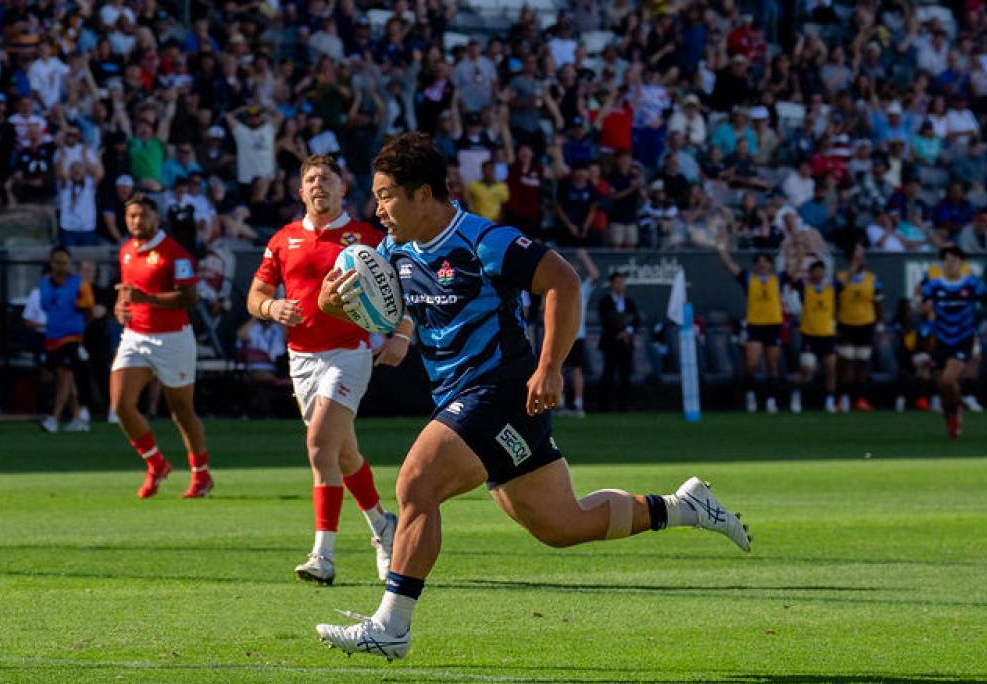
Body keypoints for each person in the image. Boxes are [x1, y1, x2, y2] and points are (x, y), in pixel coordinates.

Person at [313, 133, 748, 660]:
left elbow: (564, 281)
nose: (376, 209)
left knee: (416, 482)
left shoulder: (483, 240)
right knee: (561, 524)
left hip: (500, 389)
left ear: (423, 194)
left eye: (385, 196)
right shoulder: (394, 250)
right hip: (462, 396)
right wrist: (332, 302)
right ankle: (683, 507)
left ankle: (392, 626)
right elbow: (364, 306)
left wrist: (550, 367)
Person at [247, 154, 396, 585]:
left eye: (326, 179)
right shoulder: (282, 239)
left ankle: (323, 556)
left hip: (349, 353)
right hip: (301, 359)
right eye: (310, 179)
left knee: (317, 447)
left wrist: (400, 334)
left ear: (343, 187)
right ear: (300, 190)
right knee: (342, 454)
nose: (318, 186)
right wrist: (271, 306)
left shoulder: (366, 238)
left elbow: (401, 291)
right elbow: (256, 294)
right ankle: (384, 527)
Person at [112, 195, 210, 499]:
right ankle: (156, 463)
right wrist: (120, 307)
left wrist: (147, 299)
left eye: (142, 216)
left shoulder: (175, 254)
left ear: (156, 218)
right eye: (131, 216)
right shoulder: (127, 251)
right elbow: (127, 293)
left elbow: (189, 298)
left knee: (181, 412)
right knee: (120, 405)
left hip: (172, 338)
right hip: (135, 336)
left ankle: (201, 474)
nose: (136, 222)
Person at [918, 246, 987, 439]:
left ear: (961, 263)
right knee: (943, 385)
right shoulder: (932, 286)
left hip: (963, 338)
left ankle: (955, 412)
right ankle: (951, 414)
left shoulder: (972, 284)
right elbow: (923, 310)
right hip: (941, 339)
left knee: (948, 379)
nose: (950, 264)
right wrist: (924, 311)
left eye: (954, 260)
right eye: (947, 260)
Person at [25, 247, 95, 433]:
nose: (60, 265)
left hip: (71, 335)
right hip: (52, 335)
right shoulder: (45, 283)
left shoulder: (80, 284)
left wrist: (81, 330)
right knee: (60, 377)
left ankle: (54, 418)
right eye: (57, 261)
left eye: (63, 261)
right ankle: (77, 417)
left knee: (64, 374)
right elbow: (46, 306)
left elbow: (89, 311)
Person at [716, 247, 788, 413]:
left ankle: (771, 400)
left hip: (773, 325)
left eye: (765, 261)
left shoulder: (778, 279)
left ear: (771, 264)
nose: (762, 265)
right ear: (755, 265)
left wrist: (800, 248)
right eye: (759, 262)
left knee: (772, 365)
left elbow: (795, 268)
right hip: (755, 325)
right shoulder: (749, 279)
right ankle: (750, 397)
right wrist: (722, 250)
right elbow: (730, 266)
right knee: (751, 363)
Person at [834, 243, 882, 413]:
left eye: (862, 256)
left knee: (863, 362)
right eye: (857, 255)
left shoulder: (873, 278)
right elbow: (836, 295)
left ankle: (860, 399)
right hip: (846, 323)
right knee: (845, 362)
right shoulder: (841, 277)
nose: (861, 259)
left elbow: (878, 302)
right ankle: (841, 399)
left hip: (866, 324)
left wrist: (880, 325)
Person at [561, 250, 600, 416]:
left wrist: (584, 257)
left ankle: (578, 403)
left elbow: (595, 275)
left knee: (576, 369)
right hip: (559, 336)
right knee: (558, 369)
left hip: (577, 336)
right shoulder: (555, 289)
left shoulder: (582, 289)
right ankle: (559, 403)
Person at [596, 269, 638, 412]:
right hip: (610, 343)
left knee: (625, 375)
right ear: (612, 284)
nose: (621, 285)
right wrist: (618, 333)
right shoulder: (605, 302)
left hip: (626, 344)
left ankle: (624, 406)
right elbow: (605, 320)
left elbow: (635, 320)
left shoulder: (630, 302)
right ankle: (604, 406)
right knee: (608, 374)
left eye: (622, 282)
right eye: (618, 282)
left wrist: (628, 332)